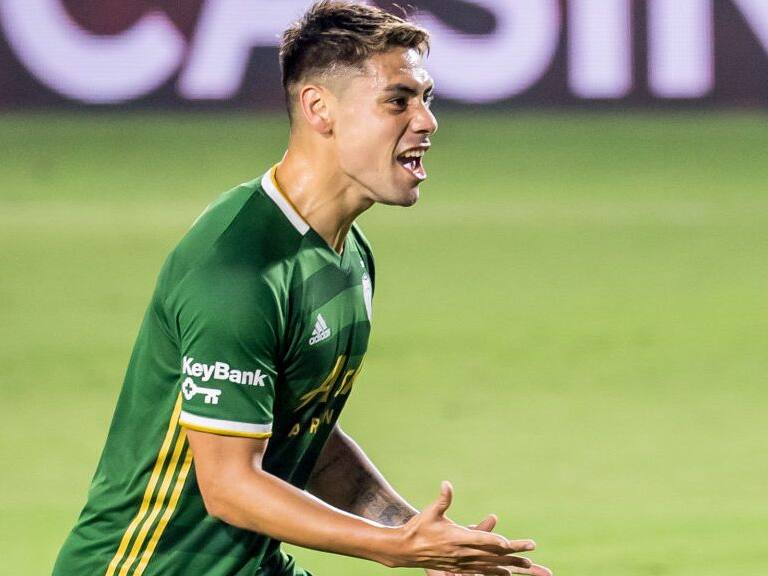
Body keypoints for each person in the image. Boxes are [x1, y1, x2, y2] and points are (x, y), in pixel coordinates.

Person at [53, 2, 552, 575]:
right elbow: (229, 486)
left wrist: (411, 532)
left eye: (427, 98)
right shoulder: (239, 270)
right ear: (320, 108)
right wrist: (392, 549)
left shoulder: (348, 256)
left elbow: (302, 425)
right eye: (398, 100)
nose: (426, 121)